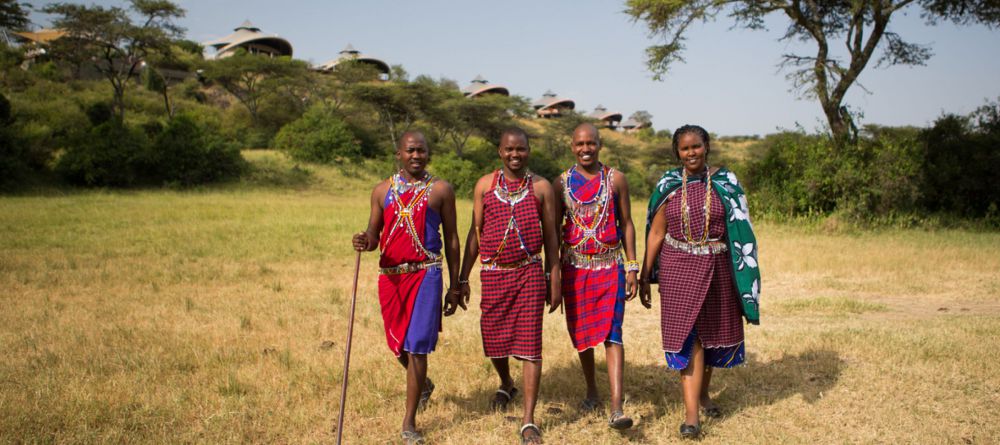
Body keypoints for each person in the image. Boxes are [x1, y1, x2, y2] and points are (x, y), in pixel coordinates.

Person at [639, 124, 761, 439]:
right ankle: (692, 416)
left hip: (718, 266)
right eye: (684, 148)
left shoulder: (726, 181)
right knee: (688, 335)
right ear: (677, 152)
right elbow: (656, 232)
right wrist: (644, 273)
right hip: (677, 266)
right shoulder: (669, 184)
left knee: (712, 334)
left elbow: (742, 226)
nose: (691, 153)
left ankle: (704, 393)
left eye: (696, 146)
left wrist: (744, 277)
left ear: (706, 147)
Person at [448, 127, 562, 445]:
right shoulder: (485, 185)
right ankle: (506, 382)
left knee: (530, 344)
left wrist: (554, 277)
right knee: (493, 340)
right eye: (509, 150)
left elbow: (552, 235)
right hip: (494, 273)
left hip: (529, 273)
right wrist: (461, 278)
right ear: (500, 151)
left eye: (521, 149)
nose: (515, 155)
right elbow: (475, 233)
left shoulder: (540, 188)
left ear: (529, 151)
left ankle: (528, 421)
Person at [351, 131, 461, 444]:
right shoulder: (381, 190)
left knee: (416, 345)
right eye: (410, 150)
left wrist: (456, 285)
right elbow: (374, 235)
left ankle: (409, 421)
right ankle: (424, 386)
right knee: (397, 344)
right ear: (399, 153)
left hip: (427, 274)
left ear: (429, 154)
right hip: (392, 277)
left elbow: (452, 239)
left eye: (421, 151)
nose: (416, 156)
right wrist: (365, 240)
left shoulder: (441, 190)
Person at [555, 123, 639, 430]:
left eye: (591, 143)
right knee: (582, 335)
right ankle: (591, 388)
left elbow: (627, 223)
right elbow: (553, 231)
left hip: (610, 266)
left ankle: (617, 408)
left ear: (600, 145)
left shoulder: (616, 179)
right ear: (572, 146)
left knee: (612, 333)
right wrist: (552, 273)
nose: (585, 149)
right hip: (574, 269)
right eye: (580, 144)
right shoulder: (561, 183)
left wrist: (632, 266)